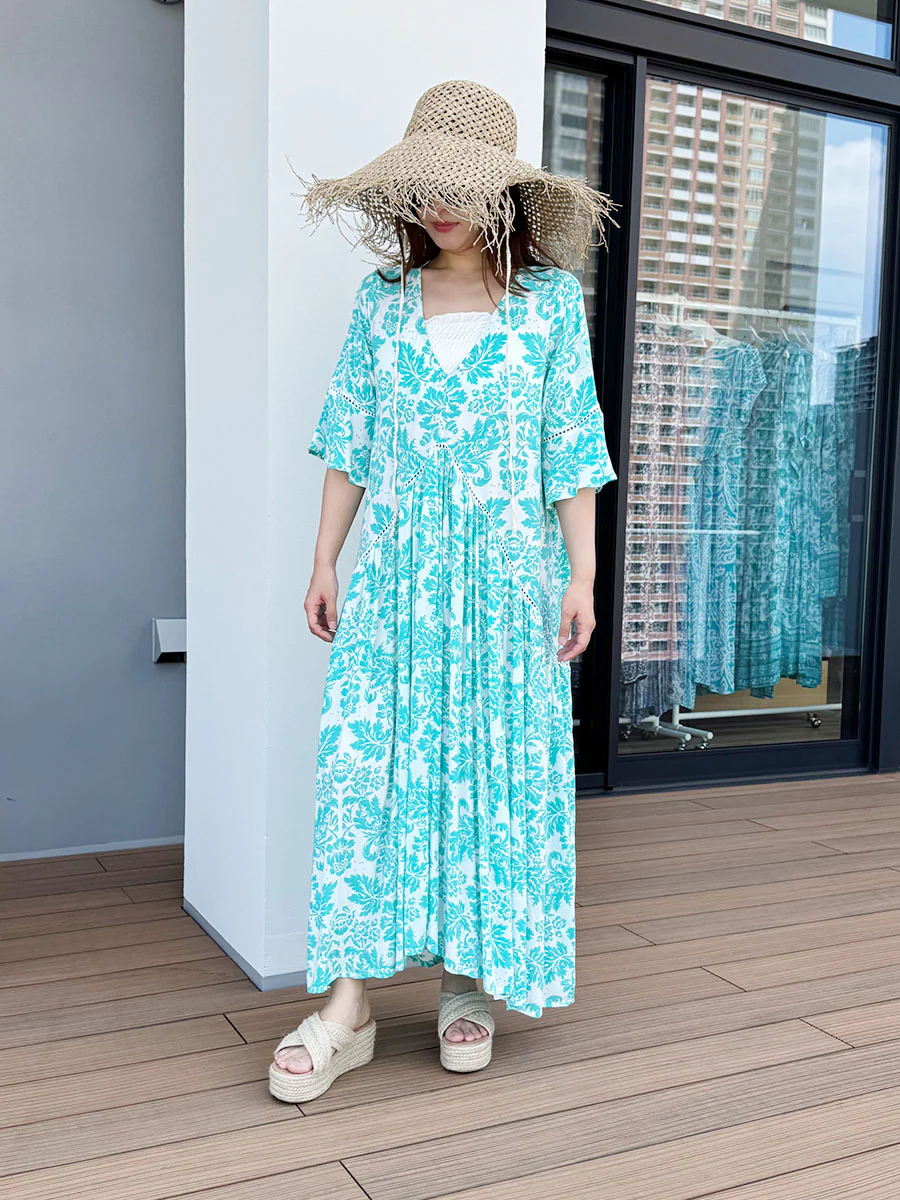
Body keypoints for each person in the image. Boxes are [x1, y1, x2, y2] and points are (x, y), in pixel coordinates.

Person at [268, 79, 617, 1103]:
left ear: (504, 192)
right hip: (400, 577)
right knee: (371, 773)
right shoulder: (380, 302)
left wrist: (583, 576)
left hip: (510, 582)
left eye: (462, 186)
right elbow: (349, 443)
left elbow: (571, 453)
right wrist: (325, 559)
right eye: (425, 184)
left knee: (489, 775)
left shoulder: (550, 305)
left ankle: (470, 981)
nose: (441, 204)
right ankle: (349, 1008)